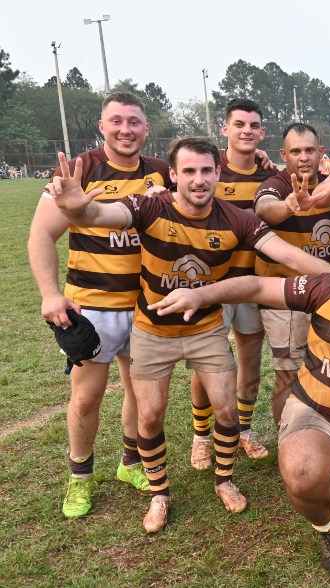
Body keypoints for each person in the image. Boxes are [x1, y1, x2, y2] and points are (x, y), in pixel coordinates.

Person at [47, 137, 330, 532]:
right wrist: (77, 208)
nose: (198, 179)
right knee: (150, 416)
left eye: (206, 170)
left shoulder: (236, 218)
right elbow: (100, 214)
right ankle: (159, 494)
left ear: (217, 173)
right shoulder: (151, 206)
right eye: (189, 171)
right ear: (174, 175)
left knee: (226, 409)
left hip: (207, 329)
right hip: (152, 330)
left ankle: (224, 480)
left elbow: (290, 255)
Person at [151, 239, 330, 577]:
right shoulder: (329, 289)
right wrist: (201, 295)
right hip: (315, 414)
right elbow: (257, 286)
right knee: (303, 471)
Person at [27, 91, 168, 518]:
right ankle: (80, 478)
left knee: (141, 394)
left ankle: (131, 463)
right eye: (117, 121)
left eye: (134, 122)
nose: (126, 129)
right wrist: (50, 294)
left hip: (147, 306)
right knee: (87, 397)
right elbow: (40, 235)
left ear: (146, 128)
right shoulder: (79, 170)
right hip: (93, 307)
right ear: (102, 126)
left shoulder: (161, 172)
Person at [188, 98, 276, 468]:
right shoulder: (208, 170)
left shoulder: (270, 176)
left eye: (253, 125)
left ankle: (244, 429)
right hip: (211, 286)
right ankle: (200, 436)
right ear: (225, 129)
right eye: (238, 124)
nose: (246, 131)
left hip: (252, 284)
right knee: (206, 363)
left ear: (262, 132)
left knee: (250, 361)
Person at [251, 123, 330, 430]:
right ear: (283, 155)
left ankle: (319, 432)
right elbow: (264, 209)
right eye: (295, 151)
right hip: (284, 298)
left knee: (326, 369)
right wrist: (289, 205)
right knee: (288, 374)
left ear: (321, 152)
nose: (304, 157)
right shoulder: (276, 184)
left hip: (322, 294)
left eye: (310, 150)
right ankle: (287, 438)